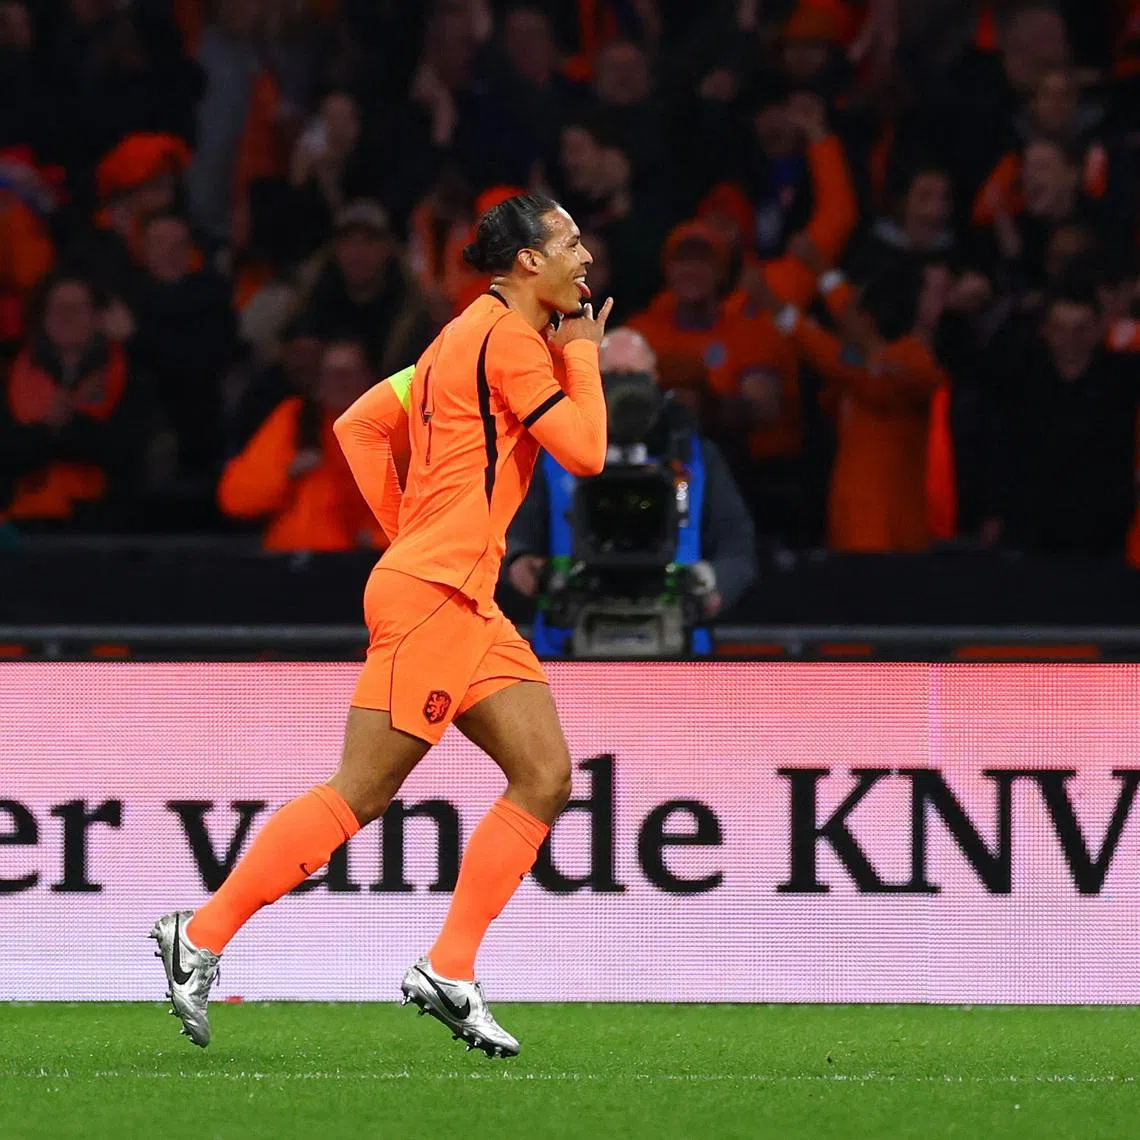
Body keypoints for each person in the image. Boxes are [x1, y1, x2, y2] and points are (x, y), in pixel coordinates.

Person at [150, 193, 610, 1059]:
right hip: (436, 593)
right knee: (360, 791)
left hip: (460, 595)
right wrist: (583, 354)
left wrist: (410, 534)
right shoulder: (513, 342)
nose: (585, 259)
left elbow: (358, 424)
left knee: (545, 775)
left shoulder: (452, 341)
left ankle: (450, 966)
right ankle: (200, 934)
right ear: (527, 261)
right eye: (571, 243)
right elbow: (585, 453)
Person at [505, 327, 758, 656]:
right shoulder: (551, 453)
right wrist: (520, 562)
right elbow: (511, 531)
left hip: (677, 642)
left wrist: (710, 587)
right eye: (611, 375)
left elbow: (737, 545)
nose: (624, 388)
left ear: (655, 378)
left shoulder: (695, 457)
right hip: (569, 641)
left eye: (634, 376)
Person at [217, 337, 382, 552]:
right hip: (295, 559)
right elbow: (235, 500)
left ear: (369, 378)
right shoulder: (294, 419)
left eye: (347, 374)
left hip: (367, 560)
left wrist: (378, 539)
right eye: (330, 374)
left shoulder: (394, 427)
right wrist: (288, 474)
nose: (338, 383)